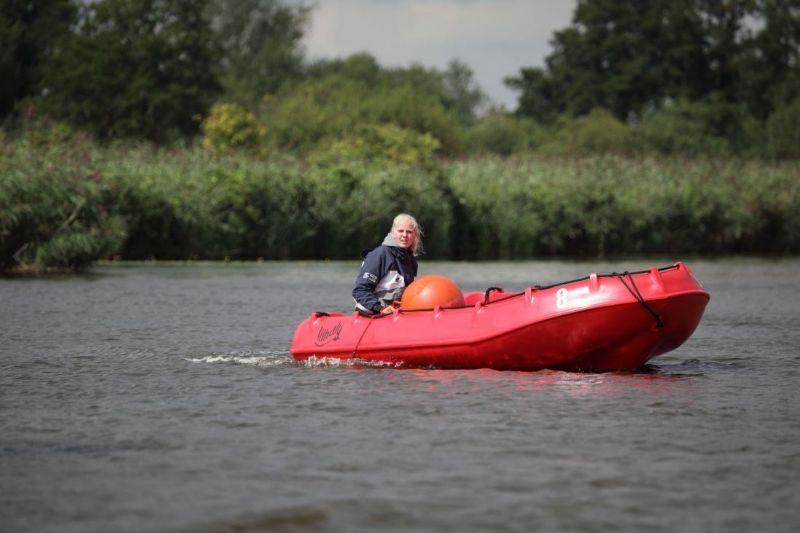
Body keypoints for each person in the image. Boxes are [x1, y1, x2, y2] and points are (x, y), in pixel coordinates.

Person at [352, 213, 423, 316]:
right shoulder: (379, 255)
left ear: (414, 235)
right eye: (400, 231)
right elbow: (360, 291)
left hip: (398, 315)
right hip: (375, 314)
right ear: (392, 232)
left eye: (409, 232)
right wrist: (379, 308)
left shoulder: (411, 260)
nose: (404, 235)